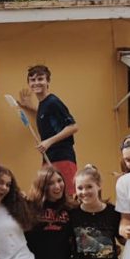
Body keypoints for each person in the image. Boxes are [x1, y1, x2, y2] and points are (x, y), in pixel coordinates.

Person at [18, 64, 79, 196]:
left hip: (62, 157)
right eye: (32, 80)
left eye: (40, 79)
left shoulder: (53, 101)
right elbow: (47, 117)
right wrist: (30, 107)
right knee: (50, 197)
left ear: (48, 81)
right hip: (49, 158)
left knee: (67, 197)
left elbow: (73, 126)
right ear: (29, 83)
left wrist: (48, 142)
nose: (36, 83)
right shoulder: (44, 105)